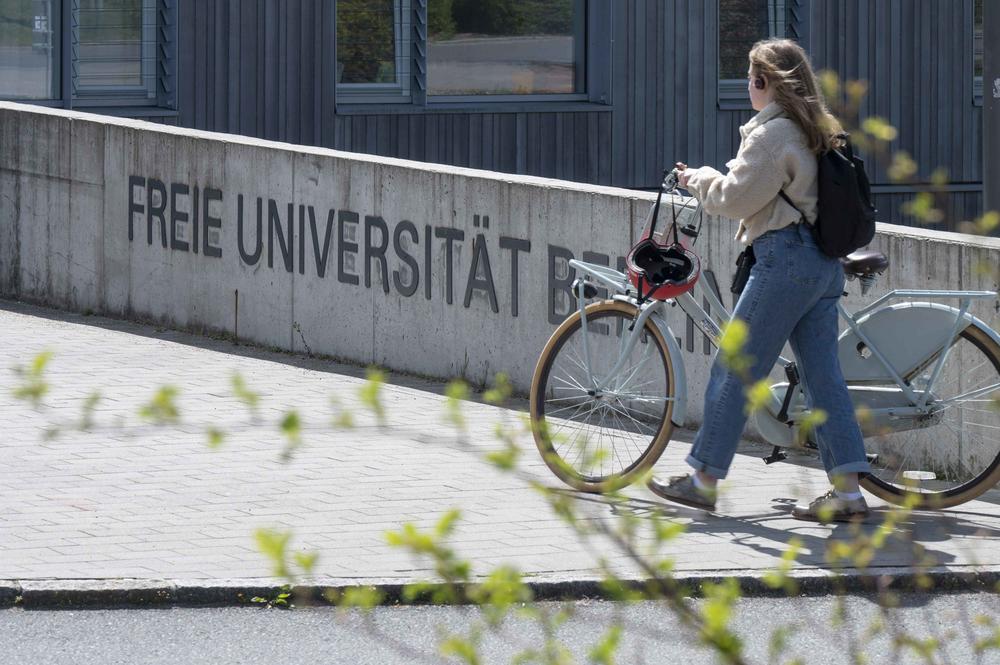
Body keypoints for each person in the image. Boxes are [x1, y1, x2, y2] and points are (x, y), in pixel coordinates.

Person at [646, 38, 872, 522]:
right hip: (821, 266)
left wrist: (697, 179)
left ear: (764, 82)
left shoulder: (772, 136)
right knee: (823, 378)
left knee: (735, 368)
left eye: (751, 78)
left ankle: (703, 480)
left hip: (783, 261)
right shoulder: (816, 130)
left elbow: (734, 199)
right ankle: (849, 494)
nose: (747, 87)